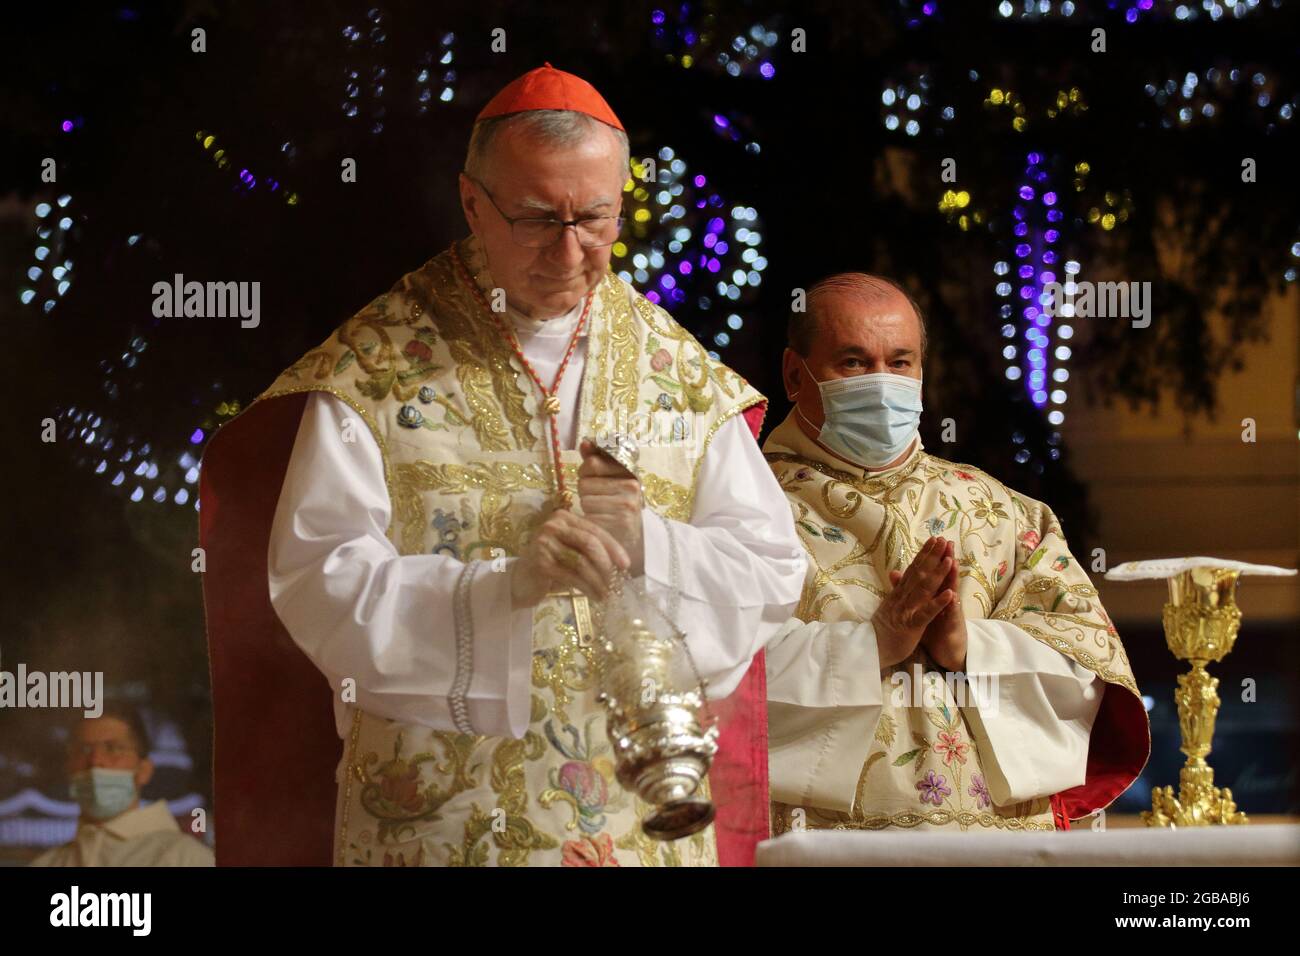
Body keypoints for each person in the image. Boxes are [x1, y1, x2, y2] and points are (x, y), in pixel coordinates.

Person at [199, 64, 805, 867]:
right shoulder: (375, 369)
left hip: (635, 821)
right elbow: (319, 581)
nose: (569, 251)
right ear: (472, 202)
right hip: (437, 823)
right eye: (534, 219)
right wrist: (503, 589)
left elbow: (770, 573)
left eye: (594, 218)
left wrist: (650, 540)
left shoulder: (680, 375)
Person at [763, 273, 1149, 833]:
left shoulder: (1006, 513)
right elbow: (702, 675)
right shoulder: (743, 509)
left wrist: (971, 647)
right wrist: (868, 645)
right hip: (824, 842)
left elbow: (1090, 665)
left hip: (1001, 842)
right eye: (853, 363)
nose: (881, 382)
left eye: (899, 363)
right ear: (795, 375)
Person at [30, 708, 213, 866]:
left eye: (113, 748)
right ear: (69, 767)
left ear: (143, 770)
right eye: (84, 750)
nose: (95, 761)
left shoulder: (186, 859)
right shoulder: (46, 864)